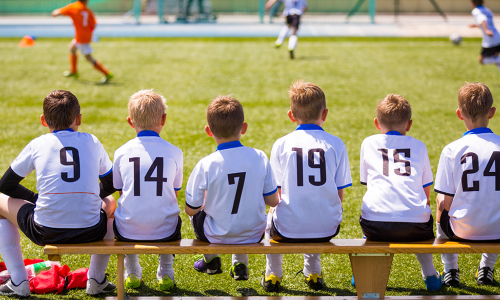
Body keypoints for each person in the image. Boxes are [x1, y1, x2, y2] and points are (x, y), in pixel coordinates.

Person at [0, 90, 117, 297]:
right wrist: (90, 197)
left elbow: (6, 184)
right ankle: (96, 279)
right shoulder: (92, 141)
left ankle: (19, 281)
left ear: (44, 121)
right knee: (111, 202)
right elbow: (111, 182)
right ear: (79, 119)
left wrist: (36, 199)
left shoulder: (38, 144)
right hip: (91, 229)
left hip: (45, 230)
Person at [263, 80, 352, 292]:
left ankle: (273, 274)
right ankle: (313, 270)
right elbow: (339, 195)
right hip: (328, 228)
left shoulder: (281, 144)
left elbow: (275, 194)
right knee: (317, 205)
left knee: (270, 218)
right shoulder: (336, 143)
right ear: (325, 113)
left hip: (287, 229)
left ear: (291, 116)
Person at [185, 95, 279, 281]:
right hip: (254, 234)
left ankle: (211, 260)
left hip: (215, 235)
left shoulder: (206, 164)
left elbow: (191, 209)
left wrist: (205, 203)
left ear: (208, 131)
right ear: (243, 128)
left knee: (198, 208)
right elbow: (273, 201)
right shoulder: (259, 157)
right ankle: (240, 264)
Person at [359, 94, 442, 291]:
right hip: (416, 226)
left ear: (376, 123)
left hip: (375, 224)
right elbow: (426, 191)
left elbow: (367, 182)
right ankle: (430, 275)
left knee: (372, 212)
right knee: (420, 221)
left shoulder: (368, 143)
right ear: (409, 124)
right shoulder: (419, 145)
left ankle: (363, 272)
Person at [111, 90, 183, 291]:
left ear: (130, 122)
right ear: (164, 119)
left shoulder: (121, 152)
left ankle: (132, 271)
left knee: (121, 211)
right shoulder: (175, 151)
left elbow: (121, 192)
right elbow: (174, 194)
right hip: (165, 231)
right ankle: (166, 272)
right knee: (172, 214)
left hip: (128, 230)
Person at [435, 82, 500, 287]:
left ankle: (450, 269)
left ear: (459, 114)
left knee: (440, 199)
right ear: (492, 112)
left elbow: (446, 204)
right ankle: (486, 268)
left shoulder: (452, 149)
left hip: (463, 230)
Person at [52, 0, 114, 83]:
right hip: (84, 36)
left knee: (88, 57)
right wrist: (88, 32)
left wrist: (55, 13)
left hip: (81, 38)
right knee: (72, 48)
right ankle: (74, 71)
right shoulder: (88, 10)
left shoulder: (74, 6)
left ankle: (107, 73)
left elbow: (58, 12)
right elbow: (94, 24)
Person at [468, 0, 500, 81]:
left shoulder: (476, 11)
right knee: (495, 58)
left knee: (481, 60)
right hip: (496, 36)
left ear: (472, 3)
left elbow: (483, 20)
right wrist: (476, 26)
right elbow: (488, 22)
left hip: (489, 39)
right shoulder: (487, 10)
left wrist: (486, 31)